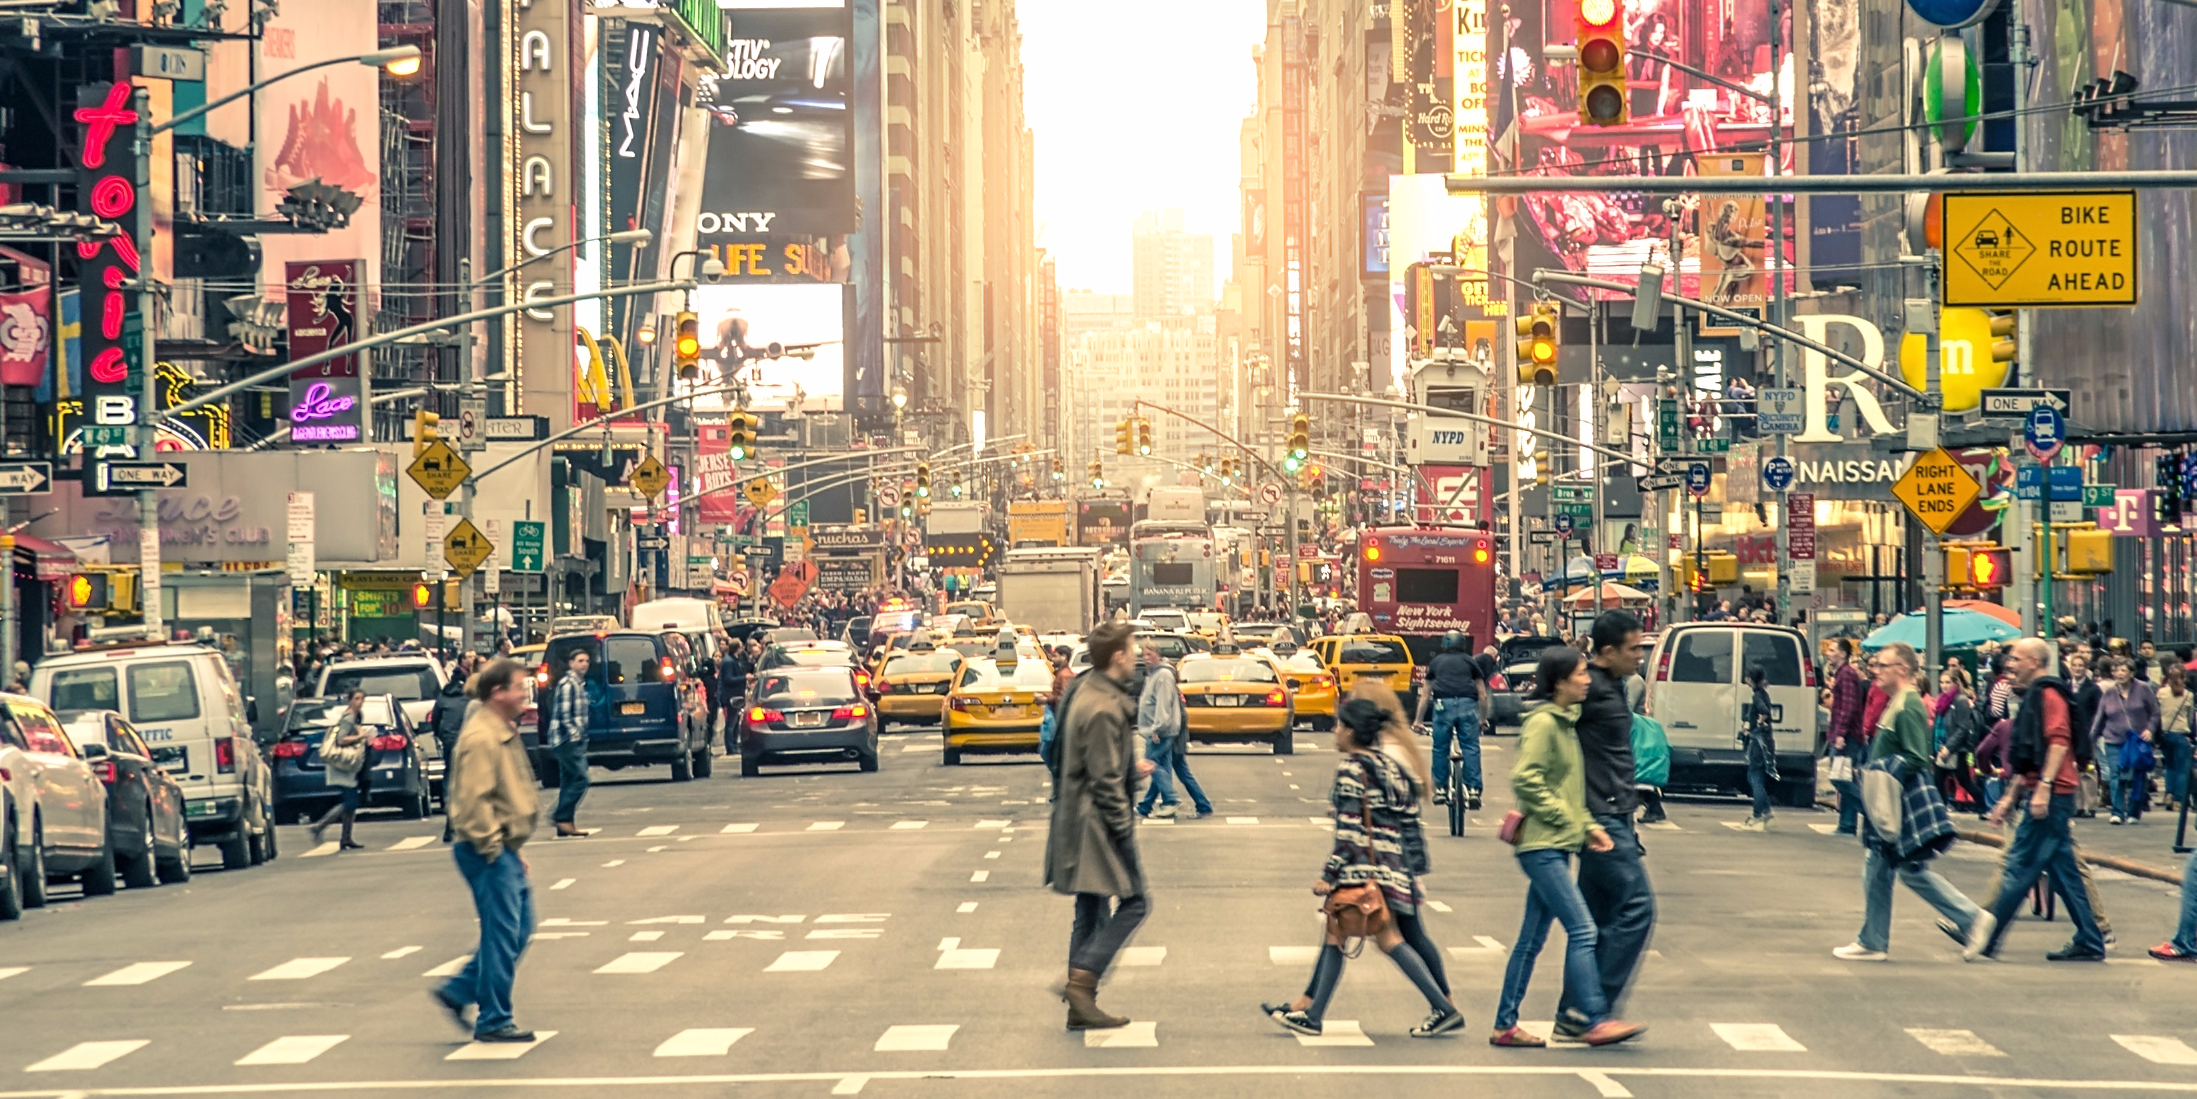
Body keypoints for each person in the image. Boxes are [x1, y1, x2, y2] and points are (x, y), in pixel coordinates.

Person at [1266, 695, 1461, 1040]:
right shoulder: (1392, 766)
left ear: (1353, 732)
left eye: (1340, 726)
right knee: (1362, 937)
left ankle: (1442, 1008)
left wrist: (1328, 875)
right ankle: (1313, 1013)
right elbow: (1406, 816)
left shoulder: (1351, 768)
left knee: (1364, 936)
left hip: (1364, 869)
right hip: (1395, 865)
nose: (1334, 732)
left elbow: (1350, 831)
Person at [1491, 647, 1646, 1048]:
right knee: (1583, 930)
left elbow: (1566, 790)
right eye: (1579, 674)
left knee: (1531, 940)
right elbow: (1527, 780)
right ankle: (1593, 1017)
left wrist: (1585, 827)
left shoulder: (1564, 720)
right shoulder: (1545, 724)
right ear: (1559, 682)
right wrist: (1575, 823)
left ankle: (1505, 1024)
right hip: (1542, 844)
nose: (1587, 680)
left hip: (1555, 842)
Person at [1831, 642, 1990, 962]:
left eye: (1882, 666)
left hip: (1897, 799)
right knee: (1896, 870)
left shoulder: (1908, 704)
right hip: (1891, 798)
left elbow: (1917, 757)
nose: (1875, 671)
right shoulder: (1899, 702)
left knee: (1886, 869)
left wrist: (1880, 771)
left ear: (1902, 669)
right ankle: (1876, 938)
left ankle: (1876, 940)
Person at [1044, 622, 1153, 1029]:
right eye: (1132, 650)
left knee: (1089, 910)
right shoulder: (1106, 708)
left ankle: (1081, 1006)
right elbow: (1105, 780)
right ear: (1118, 657)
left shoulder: (1081, 692)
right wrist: (1124, 828)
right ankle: (1082, 981)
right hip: (1097, 823)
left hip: (1075, 816)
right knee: (1136, 901)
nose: (1137, 657)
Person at [1553, 610, 1656, 1041]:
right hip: (1602, 818)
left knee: (1596, 919)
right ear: (1607, 651)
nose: (1640, 655)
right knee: (1637, 907)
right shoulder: (1590, 688)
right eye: (1633, 648)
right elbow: (1548, 722)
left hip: (1615, 815)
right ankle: (1592, 1009)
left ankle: (1574, 1011)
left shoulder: (1613, 685)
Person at [1971, 638, 2106, 962]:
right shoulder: (2037, 695)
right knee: (2063, 870)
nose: (2009, 665)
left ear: (2035, 660)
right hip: (2048, 792)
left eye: (2016, 659)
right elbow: (2031, 755)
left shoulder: (2048, 694)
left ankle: (1986, 936)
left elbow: (2059, 742)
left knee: (2019, 864)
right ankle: (2090, 938)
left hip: (2053, 794)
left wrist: (2043, 787)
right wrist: (2011, 796)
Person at [431, 658, 541, 1042]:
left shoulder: (495, 728)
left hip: (501, 848)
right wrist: (494, 846)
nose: (525, 696)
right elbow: (472, 801)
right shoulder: (481, 738)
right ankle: (494, 1017)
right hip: (487, 850)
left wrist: (510, 845)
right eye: (519, 688)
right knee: (503, 934)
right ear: (498, 693)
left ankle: (460, 990)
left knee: (519, 928)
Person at [1416, 629, 1492, 808]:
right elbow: (1482, 694)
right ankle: (1473, 790)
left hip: (1443, 705)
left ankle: (1441, 789)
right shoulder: (1471, 662)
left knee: (1440, 747)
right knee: (1471, 746)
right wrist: (1483, 719)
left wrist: (1418, 720)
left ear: (1444, 644)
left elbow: (1426, 695)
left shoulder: (1436, 662)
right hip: (1468, 705)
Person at [1135, 643, 1211, 820]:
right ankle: (1202, 804)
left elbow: (1163, 705)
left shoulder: (1163, 675)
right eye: (1144, 654)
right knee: (1175, 768)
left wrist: (1157, 728)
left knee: (1151, 763)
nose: (1146, 658)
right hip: (1164, 730)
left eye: (1149, 654)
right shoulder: (1153, 674)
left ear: (1158, 655)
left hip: (1162, 731)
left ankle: (1170, 799)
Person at [2090, 656, 2158, 824]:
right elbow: (2100, 718)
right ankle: (2117, 812)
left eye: (2123, 670)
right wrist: (2090, 740)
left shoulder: (2143, 689)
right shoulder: (2109, 693)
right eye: (2116, 670)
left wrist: (2150, 729)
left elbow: (2155, 712)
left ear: (2131, 673)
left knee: (2137, 775)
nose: (2119, 674)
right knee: (2116, 775)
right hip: (2114, 740)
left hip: (2137, 741)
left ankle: (2134, 812)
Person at [308, 690, 371, 850]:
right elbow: (341, 740)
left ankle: (346, 838)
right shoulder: (349, 718)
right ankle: (319, 827)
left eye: (362, 699)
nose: (360, 702)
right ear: (349, 700)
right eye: (356, 699)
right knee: (350, 802)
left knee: (351, 804)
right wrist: (360, 737)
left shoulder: (355, 717)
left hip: (347, 765)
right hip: (342, 765)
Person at [546, 650, 593, 838]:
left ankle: (565, 824)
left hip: (573, 739)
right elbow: (565, 715)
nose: (584, 664)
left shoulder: (578, 684)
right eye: (580, 661)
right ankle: (560, 816)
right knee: (582, 778)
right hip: (566, 739)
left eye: (587, 661)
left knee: (568, 781)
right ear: (571, 663)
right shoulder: (568, 684)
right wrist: (574, 735)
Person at [1826, 639, 1871, 835]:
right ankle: (1847, 824)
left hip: (1848, 736)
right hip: (1846, 734)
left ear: (1843, 654)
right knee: (1843, 776)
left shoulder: (1846, 675)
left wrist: (1841, 733)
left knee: (1838, 777)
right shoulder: (1843, 674)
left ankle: (1870, 812)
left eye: (1832, 650)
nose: (1828, 652)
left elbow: (1849, 706)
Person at [1738, 665, 1779, 830]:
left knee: (1755, 778)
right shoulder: (1764, 694)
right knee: (1756, 776)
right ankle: (1767, 811)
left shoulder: (1757, 696)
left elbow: (1764, 711)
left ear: (1750, 679)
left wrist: (1756, 725)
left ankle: (1757, 815)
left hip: (1758, 742)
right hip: (1766, 741)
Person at [2159, 660, 2194, 813]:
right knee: (2182, 768)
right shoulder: (2188, 695)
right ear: (2184, 677)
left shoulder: (2161, 693)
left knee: (2169, 766)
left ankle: (2169, 794)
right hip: (2181, 733)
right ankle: (2179, 800)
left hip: (2165, 733)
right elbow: (2190, 718)